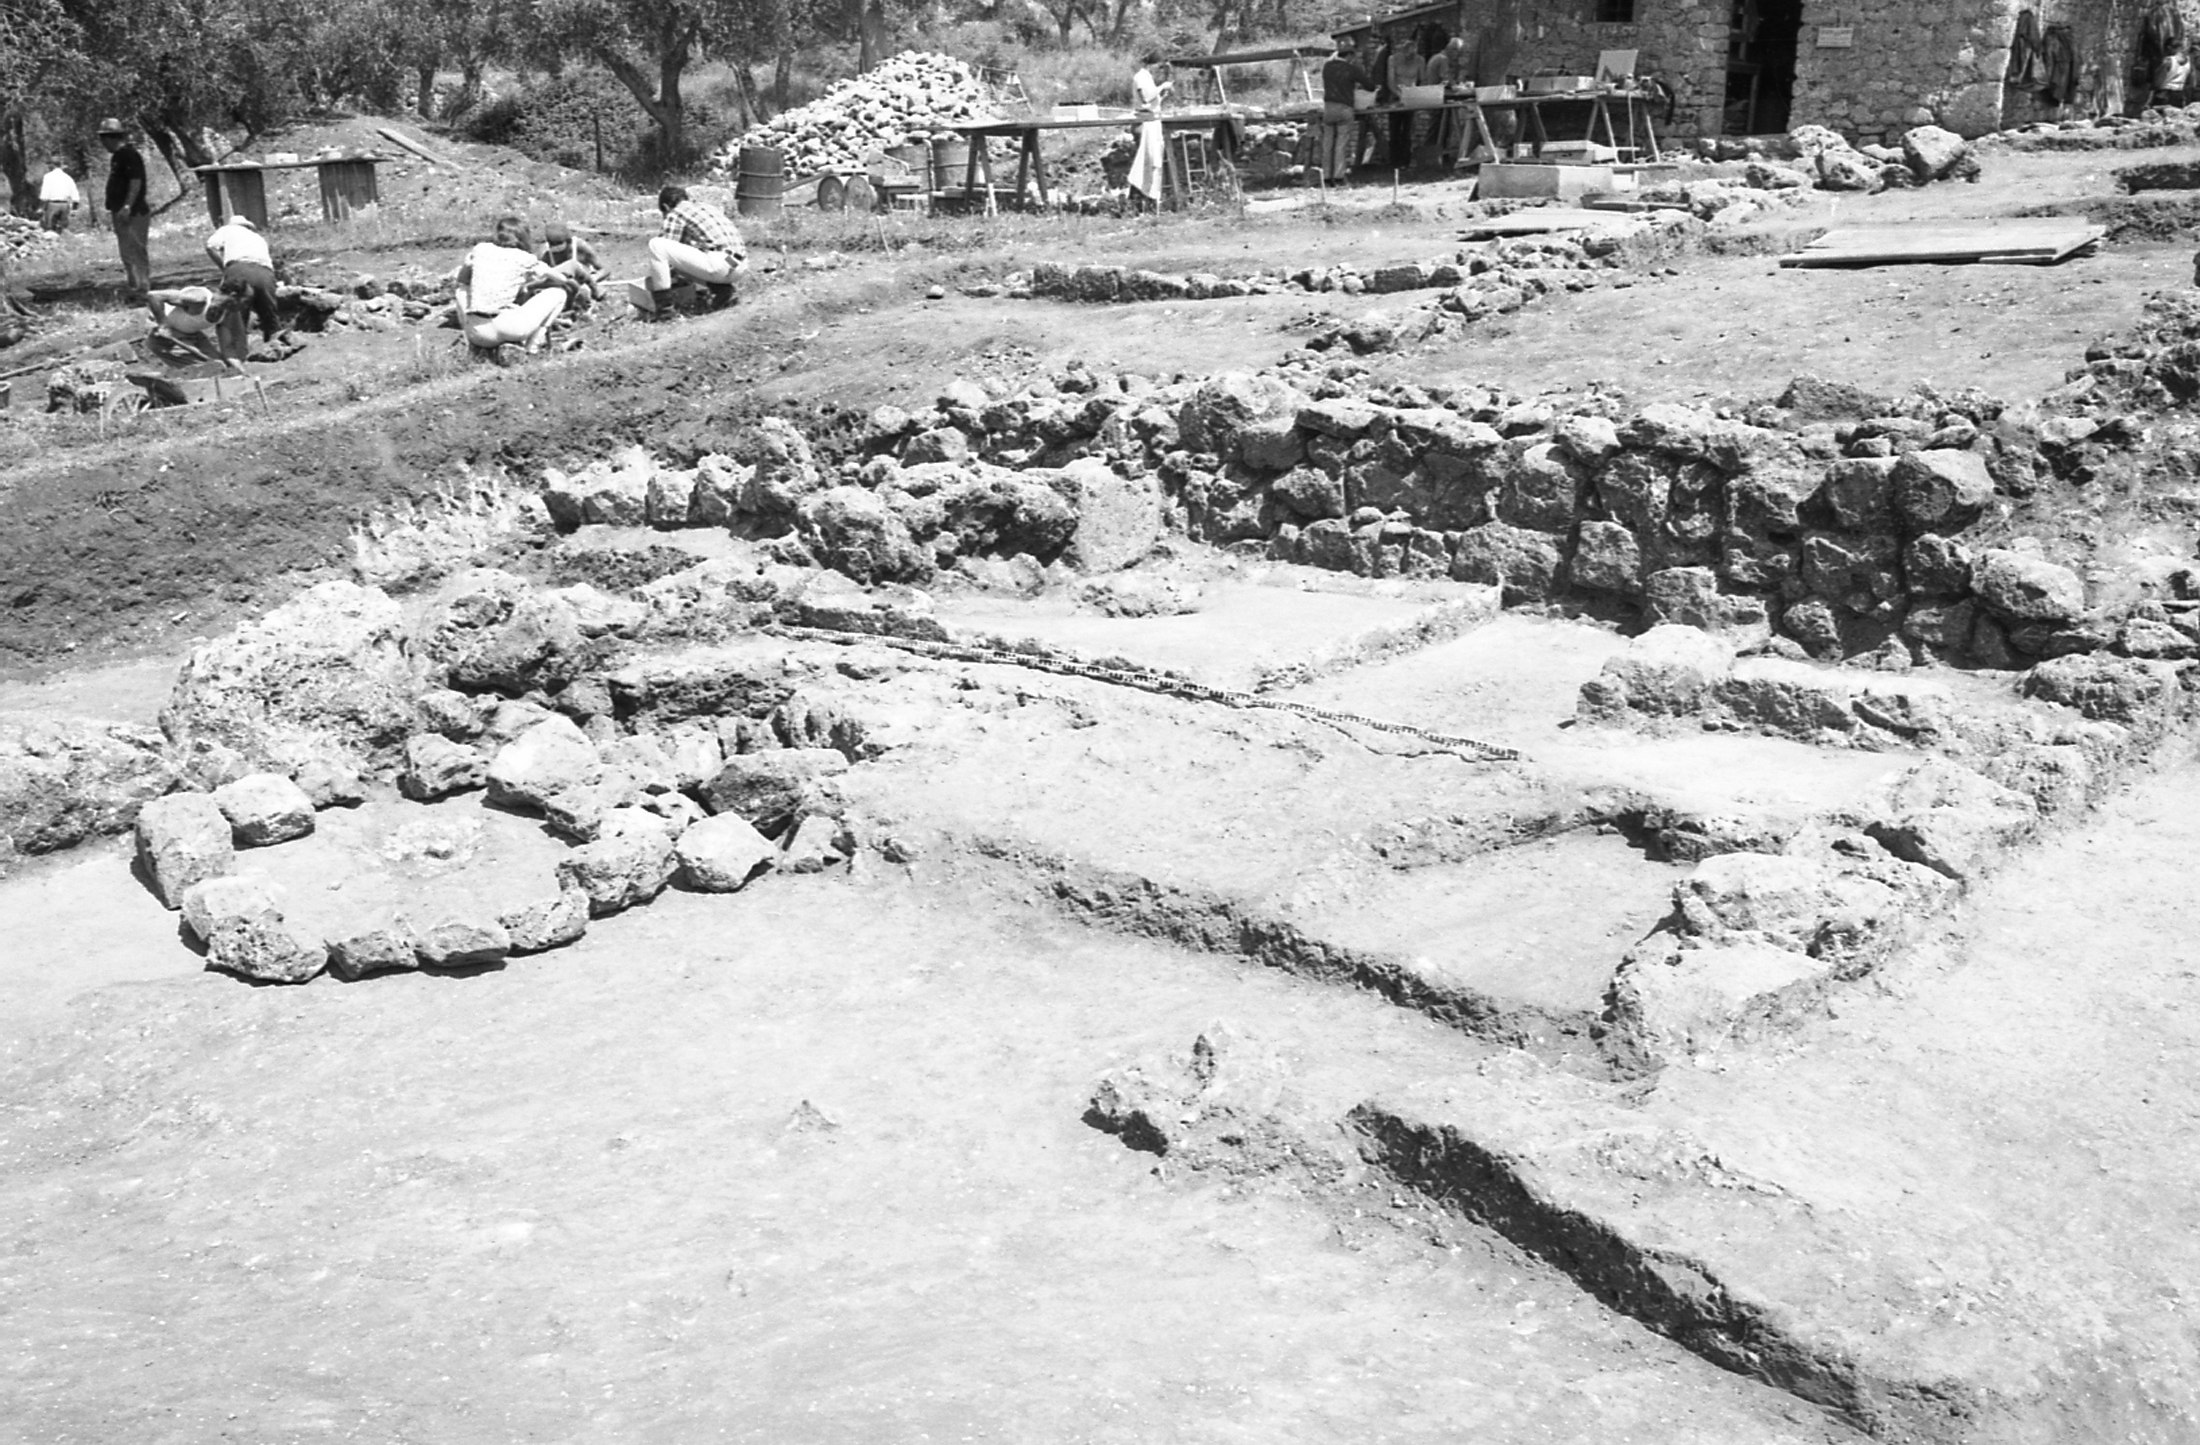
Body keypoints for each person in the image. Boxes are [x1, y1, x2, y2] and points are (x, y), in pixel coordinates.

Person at [454, 216, 572, 354]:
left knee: (461, 290)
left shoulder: (480, 249)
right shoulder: (525, 258)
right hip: (511, 328)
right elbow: (561, 280)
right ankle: (533, 346)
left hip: (478, 333)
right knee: (558, 293)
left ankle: (472, 344)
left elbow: (462, 280)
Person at [645, 185, 744, 319]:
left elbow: (665, 248)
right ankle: (723, 291)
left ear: (666, 207)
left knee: (656, 245)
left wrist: (657, 277)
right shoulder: (707, 208)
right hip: (739, 266)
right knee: (684, 261)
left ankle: (665, 309)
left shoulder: (675, 213)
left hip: (719, 264)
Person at [204, 215, 280, 344]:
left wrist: (224, 268)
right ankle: (275, 345)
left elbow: (210, 246)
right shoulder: (258, 238)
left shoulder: (228, 229)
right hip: (265, 272)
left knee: (235, 314)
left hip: (239, 268)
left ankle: (236, 348)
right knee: (269, 313)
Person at [97, 117, 152, 293]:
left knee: (136, 250)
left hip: (133, 212)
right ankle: (133, 285)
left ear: (111, 138)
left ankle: (142, 286)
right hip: (120, 210)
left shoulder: (129, 155)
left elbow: (135, 181)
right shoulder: (117, 157)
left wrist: (127, 206)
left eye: (104, 139)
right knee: (127, 251)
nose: (103, 143)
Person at [1127, 52, 1172, 211]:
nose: (1159, 70)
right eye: (1158, 66)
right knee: (1144, 163)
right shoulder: (1141, 77)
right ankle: (1136, 203)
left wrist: (1163, 96)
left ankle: (1148, 202)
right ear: (1152, 64)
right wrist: (1162, 87)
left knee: (1152, 164)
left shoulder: (1148, 79)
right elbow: (1146, 97)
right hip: (1145, 124)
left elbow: (1152, 102)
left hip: (1152, 121)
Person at [1320, 43, 1363, 184]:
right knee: (1341, 143)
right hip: (1344, 107)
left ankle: (1326, 177)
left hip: (1328, 107)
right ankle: (1338, 177)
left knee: (1327, 144)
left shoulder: (1327, 67)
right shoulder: (1350, 68)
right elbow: (1368, 84)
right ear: (1349, 55)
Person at [537, 222, 604, 305]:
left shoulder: (579, 247)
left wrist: (593, 279)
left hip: (584, 284)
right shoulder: (545, 253)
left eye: (558, 243)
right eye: (551, 244)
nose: (554, 247)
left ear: (567, 240)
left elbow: (604, 269)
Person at [39, 158, 80, 232]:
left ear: (52, 165)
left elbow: (45, 193)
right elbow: (75, 194)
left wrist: (42, 207)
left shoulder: (48, 176)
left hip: (52, 204)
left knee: (50, 228)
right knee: (63, 228)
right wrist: (74, 209)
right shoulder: (67, 177)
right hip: (65, 205)